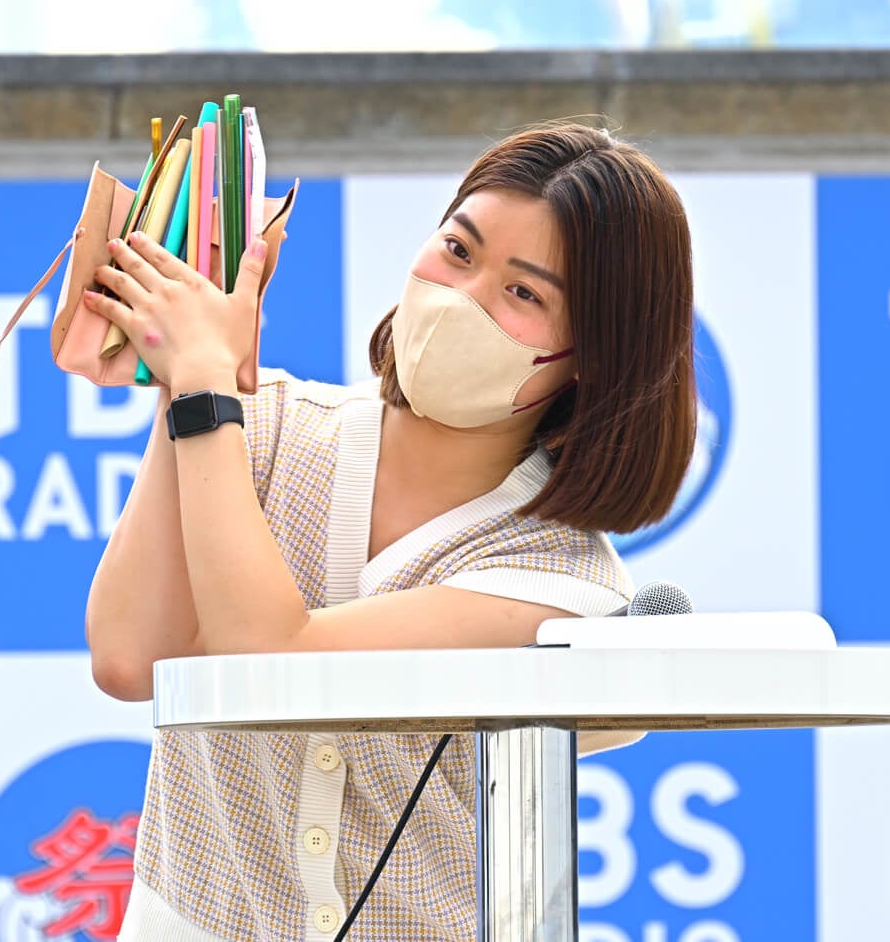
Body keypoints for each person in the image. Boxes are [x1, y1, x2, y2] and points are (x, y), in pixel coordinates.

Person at [83, 120, 698, 941]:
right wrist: (190, 389)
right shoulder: (250, 425)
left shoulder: (564, 581)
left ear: (595, 354)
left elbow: (275, 670)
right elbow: (128, 657)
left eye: (524, 293)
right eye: (457, 250)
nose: (461, 296)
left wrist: (200, 388)